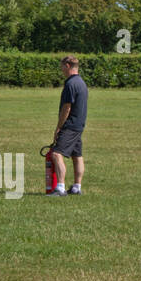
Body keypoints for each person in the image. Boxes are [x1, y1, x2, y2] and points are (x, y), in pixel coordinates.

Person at [48, 55, 88, 196]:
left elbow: (67, 107)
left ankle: (60, 188)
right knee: (77, 155)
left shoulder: (70, 84)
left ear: (67, 66)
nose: (61, 70)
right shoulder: (81, 82)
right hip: (79, 125)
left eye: (62, 67)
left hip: (70, 125)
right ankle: (77, 187)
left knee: (57, 154)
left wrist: (59, 126)